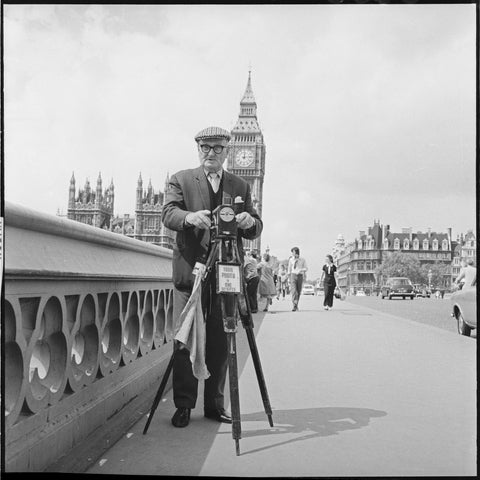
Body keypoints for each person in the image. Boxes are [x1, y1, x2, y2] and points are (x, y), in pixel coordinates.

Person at [161, 126, 262, 428]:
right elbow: (168, 214)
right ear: (198, 149)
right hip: (190, 272)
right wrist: (189, 217)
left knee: (221, 340)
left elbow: (256, 226)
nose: (211, 153)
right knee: (184, 339)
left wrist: (248, 221)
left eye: (218, 148)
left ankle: (214, 405)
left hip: (226, 273)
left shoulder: (240, 185)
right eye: (206, 147)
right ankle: (183, 405)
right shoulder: (180, 179)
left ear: (227, 152)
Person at [287, 247, 308, 312]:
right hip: (293, 275)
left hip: (300, 275)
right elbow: (289, 269)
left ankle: (296, 305)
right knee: (294, 291)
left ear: (297, 252)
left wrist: (301, 270)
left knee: (298, 291)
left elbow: (306, 268)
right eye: (292, 252)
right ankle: (294, 304)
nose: (293, 254)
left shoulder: (302, 260)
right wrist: (288, 278)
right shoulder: (291, 260)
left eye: (293, 252)